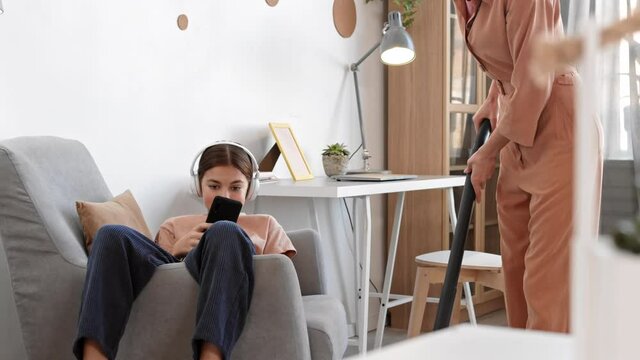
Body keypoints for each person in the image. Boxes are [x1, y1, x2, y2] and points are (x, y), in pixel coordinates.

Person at [452, 0, 602, 332]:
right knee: (517, 278)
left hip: (560, 128)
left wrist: (489, 151)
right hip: (515, 129)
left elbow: (536, 75)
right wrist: (494, 97)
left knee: (550, 285)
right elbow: (513, 50)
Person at [73, 142, 296, 360]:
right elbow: (157, 278)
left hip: (232, 287)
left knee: (225, 231)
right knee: (110, 233)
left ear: (250, 189)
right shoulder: (173, 225)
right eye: (214, 186)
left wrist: (229, 244)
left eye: (236, 187)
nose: (225, 196)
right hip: (178, 276)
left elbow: (283, 282)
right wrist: (178, 250)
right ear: (198, 186)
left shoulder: (267, 224)